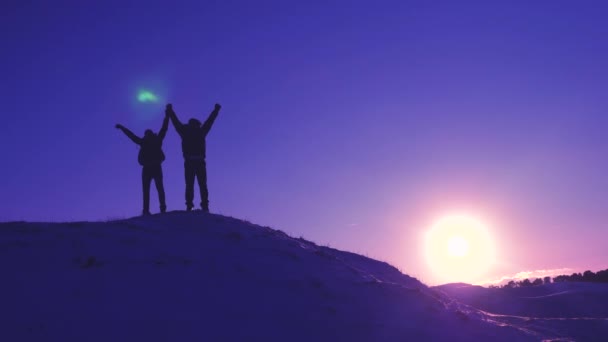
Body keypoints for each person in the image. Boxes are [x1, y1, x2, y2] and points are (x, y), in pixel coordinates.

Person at [166, 103, 221, 212]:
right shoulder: (197, 131)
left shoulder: (189, 131)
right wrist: (216, 110)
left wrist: (171, 111)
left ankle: (195, 205)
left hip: (195, 161)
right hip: (195, 161)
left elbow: (176, 121)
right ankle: (197, 205)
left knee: (195, 184)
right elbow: (210, 121)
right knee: (197, 184)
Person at [115, 111, 169, 215]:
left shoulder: (149, 141)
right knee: (153, 189)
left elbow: (163, 129)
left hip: (151, 167)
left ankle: (152, 209)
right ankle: (151, 209)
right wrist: (122, 128)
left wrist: (167, 117)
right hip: (151, 168)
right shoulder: (149, 141)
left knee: (153, 189)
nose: (146, 136)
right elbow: (132, 136)